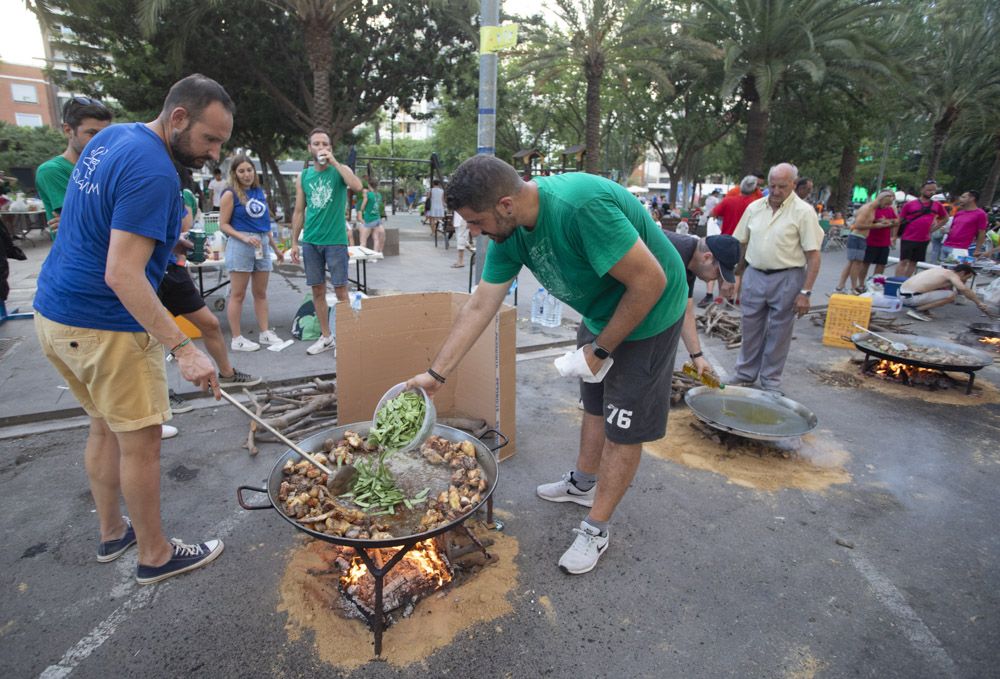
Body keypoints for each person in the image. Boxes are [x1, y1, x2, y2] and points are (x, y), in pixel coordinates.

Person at [406, 155, 690, 575]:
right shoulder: (510, 232)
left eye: (476, 222)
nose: (473, 232)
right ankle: (583, 484)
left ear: (505, 204)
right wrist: (435, 375)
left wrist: (601, 350)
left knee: (622, 426)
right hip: (600, 314)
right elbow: (482, 302)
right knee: (594, 405)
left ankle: (596, 527)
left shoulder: (580, 206)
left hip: (649, 313)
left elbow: (650, 282)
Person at [32, 73, 232, 584]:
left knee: (104, 427)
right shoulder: (157, 171)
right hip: (107, 326)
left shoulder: (112, 138)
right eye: (209, 139)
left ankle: (112, 532)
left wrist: (168, 239)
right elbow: (122, 274)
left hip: (55, 313)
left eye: (220, 144)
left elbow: (102, 220)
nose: (213, 154)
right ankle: (156, 554)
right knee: (141, 443)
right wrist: (184, 349)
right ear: (179, 117)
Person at [158, 171, 262, 415]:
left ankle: (228, 374)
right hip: (147, 271)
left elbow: (179, 226)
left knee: (210, 323)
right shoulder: (145, 183)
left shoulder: (178, 191)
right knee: (145, 341)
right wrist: (185, 350)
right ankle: (158, 397)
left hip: (173, 267)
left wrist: (176, 243)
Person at [732, 163, 823, 394]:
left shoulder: (803, 212)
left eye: (782, 186)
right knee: (750, 326)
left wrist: (805, 292)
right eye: (772, 186)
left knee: (779, 331)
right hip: (755, 273)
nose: (776, 191)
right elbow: (741, 243)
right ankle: (745, 373)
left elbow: (813, 256)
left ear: (793, 184)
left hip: (787, 276)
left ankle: (771, 379)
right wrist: (735, 276)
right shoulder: (754, 207)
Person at [290, 128, 363, 355]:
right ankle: (326, 336)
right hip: (311, 241)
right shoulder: (304, 176)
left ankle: (348, 338)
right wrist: (294, 242)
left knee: (342, 291)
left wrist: (335, 163)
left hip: (335, 241)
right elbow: (299, 211)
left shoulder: (340, 171)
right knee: (317, 290)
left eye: (325, 144)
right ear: (309, 148)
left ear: (330, 148)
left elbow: (358, 187)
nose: (321, 148)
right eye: (317, 144)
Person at [219, 154, 285, 351]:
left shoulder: (258, 192)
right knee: (237, 294)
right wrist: (244, 237)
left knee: (261, 293)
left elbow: (264, 225)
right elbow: (223, 225)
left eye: (249, 170)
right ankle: (237, 338)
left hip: (262, 244)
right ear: (235, 173)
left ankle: (265, 332)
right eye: (241, 171)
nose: (246, 174)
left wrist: (275, 249)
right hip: (241, 245)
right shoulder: (230, 194)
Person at [661, 231, 740, 376]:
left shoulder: (691, 264)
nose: (716, 279)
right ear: (707, 258)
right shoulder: (673, 254)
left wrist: (697, 356)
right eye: (718, 273)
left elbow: (685, 309)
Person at [35, 96, 114, 234]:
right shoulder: (52, 170)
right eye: (92, 133)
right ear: (68, 130)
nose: (100, 141)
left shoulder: (106, 167)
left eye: (105, 134)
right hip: (76, 253)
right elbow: (78, 223)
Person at [702, 175, 757, 307]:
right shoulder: (756, 204)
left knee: (720, 268)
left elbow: (713, 213)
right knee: (739, 271)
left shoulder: (729, 201)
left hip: (725, 239)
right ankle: (734, 298)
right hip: (745, 241)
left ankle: (720, 296)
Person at [900, 264, 992, 321]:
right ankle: (917, 311)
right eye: (967, 278)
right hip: (910, 298)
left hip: (901, 294)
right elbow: (964, 289)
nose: (965, 281)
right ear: (962, 273)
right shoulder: (952, 275)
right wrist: (979, 303)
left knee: (944, 291)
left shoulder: (940, 270)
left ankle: (923, 309)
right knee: (951, 295)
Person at [896, 180, 948, 278]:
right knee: (903, 261)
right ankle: (896, 281)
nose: (931, 192)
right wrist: (894, 236)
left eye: (934, 190)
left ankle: (906, 281)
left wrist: (933, 229)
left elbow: (945, 218)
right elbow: (899, 220)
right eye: (929, 190)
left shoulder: (937, 205)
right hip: (908, 237)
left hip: (923, 239)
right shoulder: (909, 204)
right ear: (922, 190)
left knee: (913, 262)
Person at [835, 197, 885, 294]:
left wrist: (878, 221)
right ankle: (852, 287)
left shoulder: (871, 209)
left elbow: (864, 222)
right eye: (886, 204)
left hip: (859, 238)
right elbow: (857, 225)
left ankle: (840, 287)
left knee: (852, 263)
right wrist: (875, 226)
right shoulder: (867, 209)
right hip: (857, 238)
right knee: (856, 264)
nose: (886, 207)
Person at [860, 190, 898, 281]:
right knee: (866, 263)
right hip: (871, 240)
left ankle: (875, 282)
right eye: (886, 204)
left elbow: (896, 221)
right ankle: (860, 283)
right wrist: (877, 222)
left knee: (881, 264)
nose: (887, 206)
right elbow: (862, 223)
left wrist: (890, 222)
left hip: (884, 241)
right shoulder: (871, 209)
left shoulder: (890, 209)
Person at [941, 190, 988, 260]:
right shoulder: (959, 213)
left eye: (963, 197)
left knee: (954, 269)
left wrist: (977, 249)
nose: (960, 199)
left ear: (972, 198)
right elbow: (953, 228)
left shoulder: (980, 214)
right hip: (946, 245)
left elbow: (981, 232)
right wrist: (946, 231)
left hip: (960, 248)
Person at [359, 179, 385, 255]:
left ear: (369, 185)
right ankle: (375, 256)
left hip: (369, 219)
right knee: (376, 238)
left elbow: (362, 207)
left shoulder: (368, 195)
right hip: (377, 219)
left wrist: (364, 199)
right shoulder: (379, 195)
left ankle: (361, 256)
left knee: (363, 240)